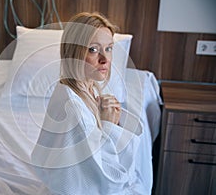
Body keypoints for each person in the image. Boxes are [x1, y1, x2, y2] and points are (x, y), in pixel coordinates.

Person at [31, 12, 149, 195]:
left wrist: (113, 118)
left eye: (109, 48)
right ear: (73, 53)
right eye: (93, 49)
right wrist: (109, 125)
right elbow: (104, 178)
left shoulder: (88, 88)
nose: (105, 59)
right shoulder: (71, 107)